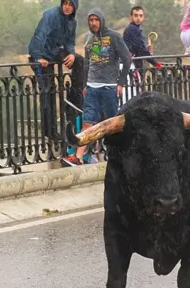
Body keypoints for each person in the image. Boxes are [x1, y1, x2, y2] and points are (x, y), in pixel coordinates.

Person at [61, 8, 131, 166]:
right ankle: (78, 157)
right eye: (90, 20)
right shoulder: (89, 40)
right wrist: (85, 84)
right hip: (92, 88)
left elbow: (126, 59)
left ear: (101, 20)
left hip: (109, 87)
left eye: (96, 20)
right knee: (88, 122)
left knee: (112, 124)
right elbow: (87, 64)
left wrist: (120, 83)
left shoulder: (114, 37)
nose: (93, 23)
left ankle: (118, 155)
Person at [27, 0, 83, 141]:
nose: (67, 7)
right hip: (42, 54)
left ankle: (73, 97)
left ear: (75, 7)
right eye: (65, 3)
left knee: (80, 61)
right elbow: (39, 35)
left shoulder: (72, 22)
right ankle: (50, 131)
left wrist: (71, 53)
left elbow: (70, 41)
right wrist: (37, 57)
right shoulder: (51, 15)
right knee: (48, 93)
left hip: (55, 52)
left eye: (71, 5)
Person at [123, 6, 162, 77]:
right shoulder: (133, 29)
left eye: (140, 16)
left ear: (143, 17)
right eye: (136, 15)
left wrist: (145, 49)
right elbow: (141, 51)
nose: (138, 18)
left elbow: (139, 48)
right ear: (131, 17)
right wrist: (156, 63)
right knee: (136, 86)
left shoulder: (136, 29)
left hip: (133, 64)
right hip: (132, 65)